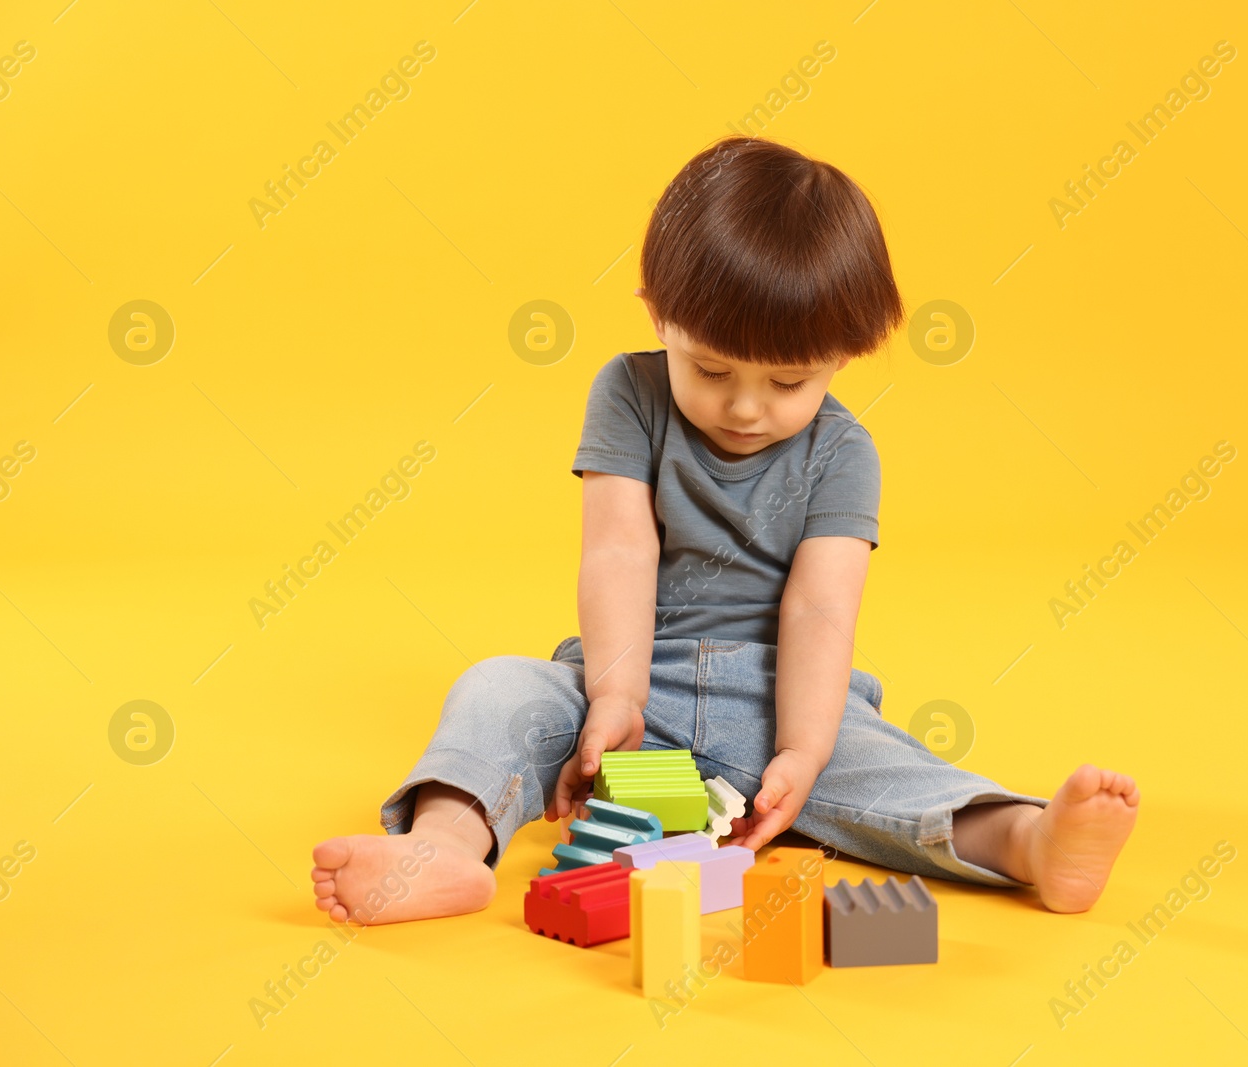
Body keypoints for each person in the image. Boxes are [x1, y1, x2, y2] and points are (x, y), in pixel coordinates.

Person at [311, 136, 1138, 925]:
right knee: (498, 691)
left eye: (788, 380)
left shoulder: (845, 452)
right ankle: (442, 847)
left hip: (780, 700)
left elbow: (820, 611)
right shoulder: (629, 395)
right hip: (633, 689)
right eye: (711, 369)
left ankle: (1030, 841)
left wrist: (805, 751)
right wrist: (615, 696)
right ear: (657, 314)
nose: (745, 408)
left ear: (845, 355)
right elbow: (618, 549)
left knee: (887, 772)